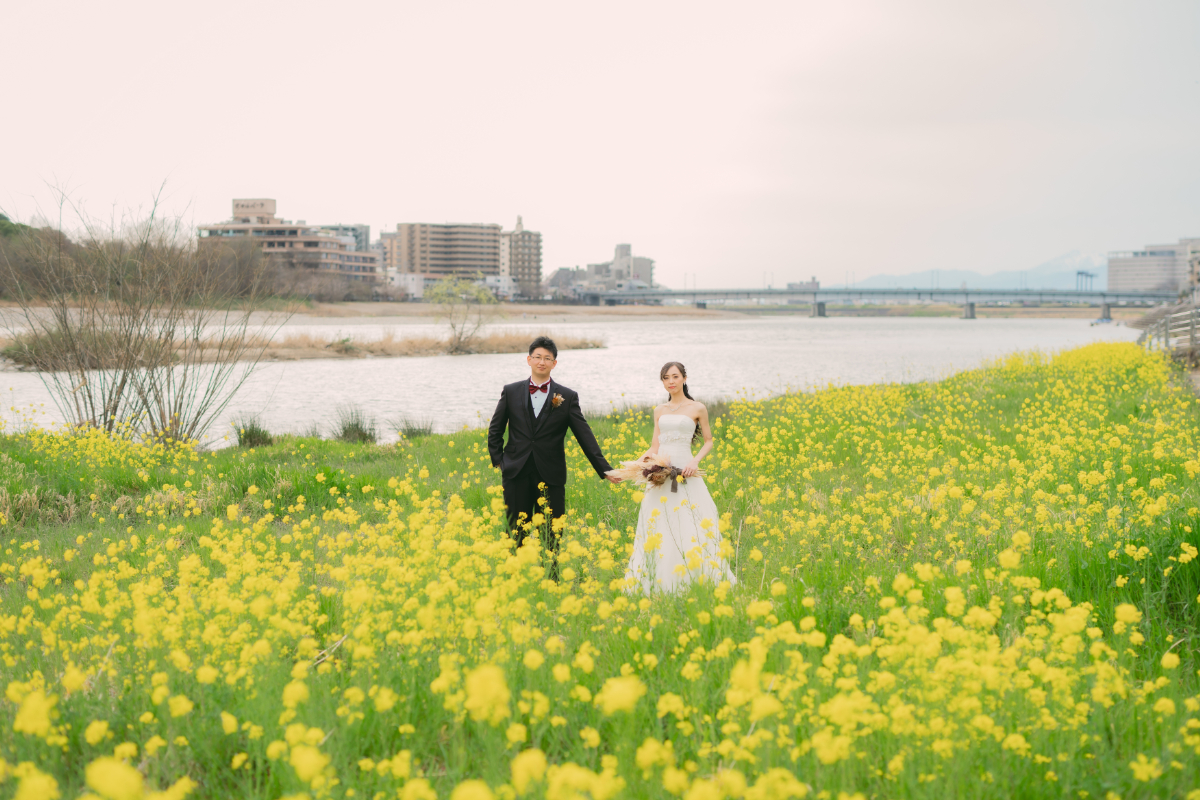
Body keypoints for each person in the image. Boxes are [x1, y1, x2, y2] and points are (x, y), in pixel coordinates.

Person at [488, 336, 621, 571]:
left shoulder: (567, 397)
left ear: (554, 363)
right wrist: (500, 461)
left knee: (552, 532)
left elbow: (585, 435)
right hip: (515, 472)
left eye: (547, 358)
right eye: (537, 357)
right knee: (515, 531)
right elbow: (496, 429)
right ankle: (514, 577)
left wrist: (605, 469)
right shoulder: (510, 391)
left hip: (551, 474)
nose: (542, 362)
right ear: (529, 359)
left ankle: (551, 579)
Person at [623, 361, 736, 594]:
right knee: (658, 524)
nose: (671, 381)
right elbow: (655, 445)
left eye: (675, 376)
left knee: (691, 522)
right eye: (666, 378)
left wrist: (694, 462)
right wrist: (636, 465)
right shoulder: (659, 411)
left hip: (686, 473)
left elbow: (708, 441)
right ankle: (657, 579)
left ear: (684, 378)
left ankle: (697, 576)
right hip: (661, 476)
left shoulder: (698, 408)